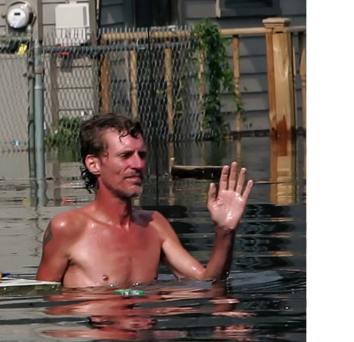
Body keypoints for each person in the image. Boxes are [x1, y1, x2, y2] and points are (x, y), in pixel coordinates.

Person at [36, 113, 253, 288]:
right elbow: (45, 301)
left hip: (146, 336)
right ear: (94, 164)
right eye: (125, 155)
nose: (138, 165)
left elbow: (208, 283)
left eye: (142, 155)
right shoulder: (68, 228)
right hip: (101, 335)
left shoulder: (154, 224)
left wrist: (224, 232)